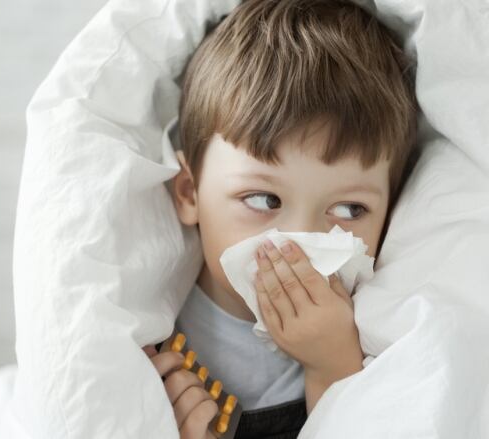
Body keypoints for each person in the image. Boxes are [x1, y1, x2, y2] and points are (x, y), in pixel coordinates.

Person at [144, 0, 418, 437]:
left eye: (349, 210)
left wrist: (333, 365)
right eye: (264, 199)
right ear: (189, 192)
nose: (300, 240)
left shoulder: (373, 331)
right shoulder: (150, 317)